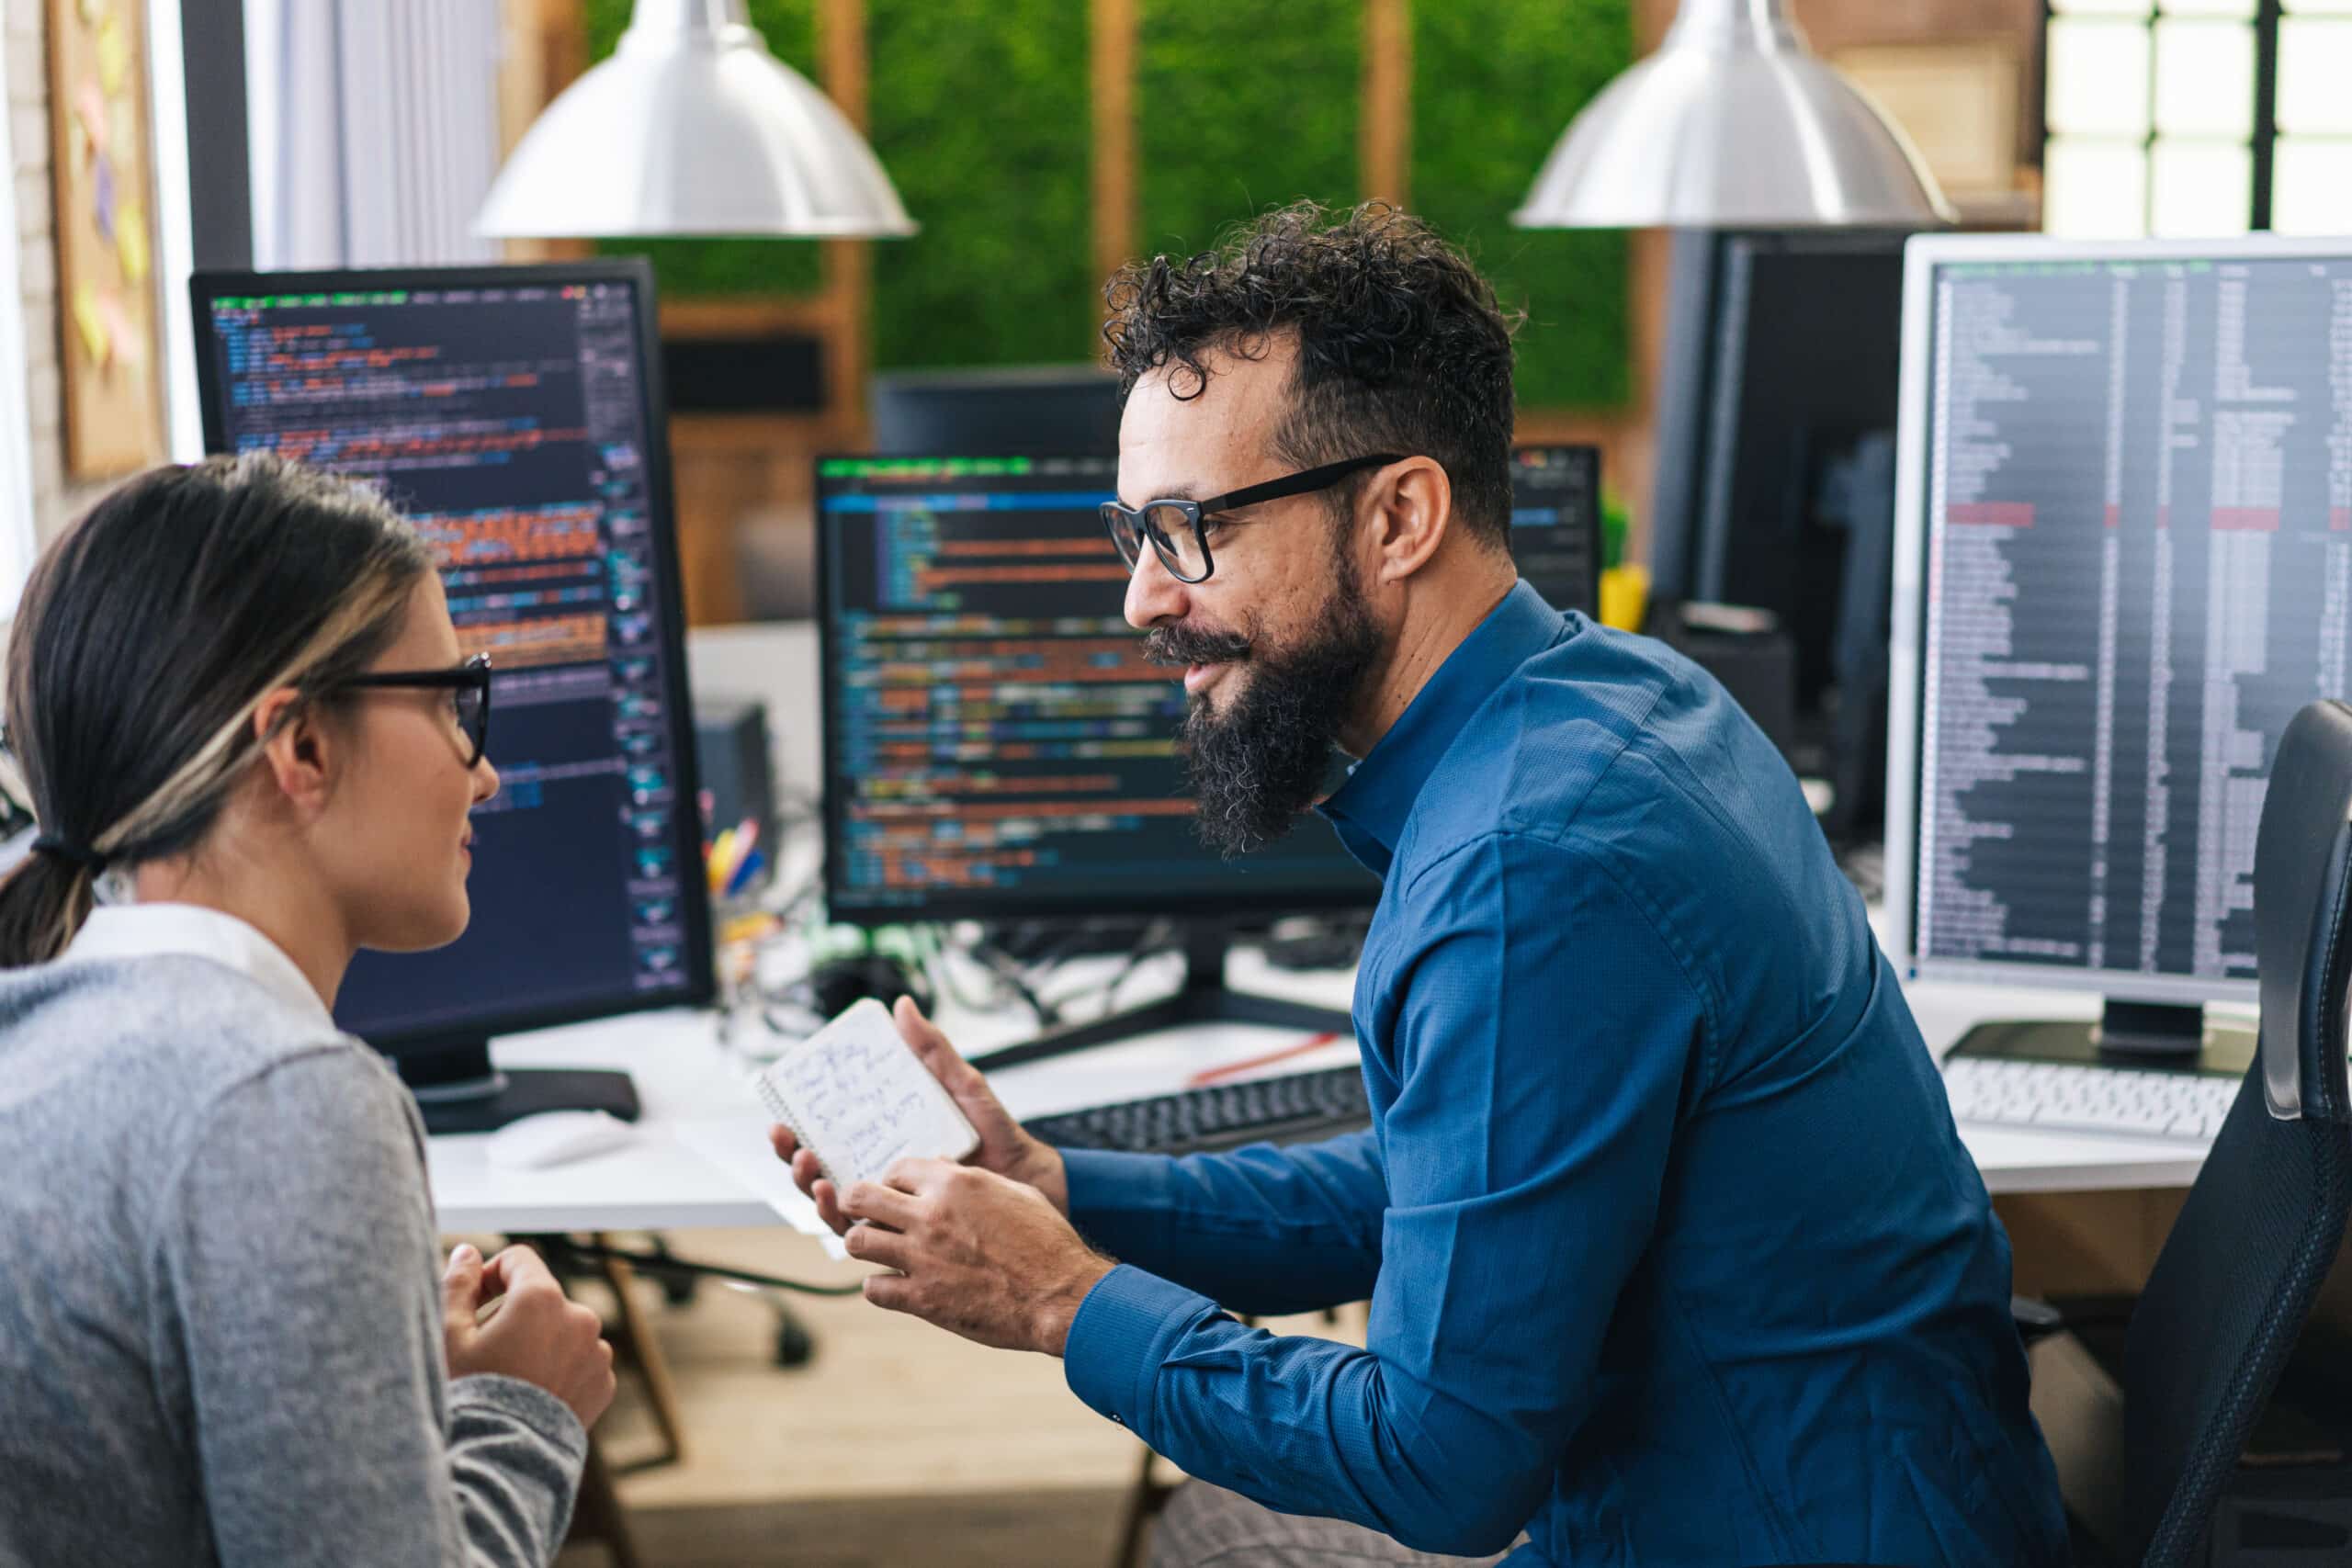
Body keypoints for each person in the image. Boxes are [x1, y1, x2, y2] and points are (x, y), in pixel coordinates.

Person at [771, 202, 2068, 1566]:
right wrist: (1053, 1184)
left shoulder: (1528, 865)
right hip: (1854, 1504)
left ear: (1399, 516)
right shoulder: (1621, 698)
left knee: (1220, 1538)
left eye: (1188, 528)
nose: (1143, 598)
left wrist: (1061, 1298)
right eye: (1132, 533)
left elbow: (1441, 1461)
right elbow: (1438, 1188)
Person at [0, 456, 615, 1568]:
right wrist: (525, 1409)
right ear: (303, 747)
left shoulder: (43, 1040)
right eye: (450, 704)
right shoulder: (281, 1103)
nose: (482, 774)